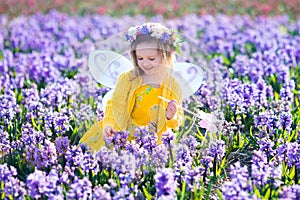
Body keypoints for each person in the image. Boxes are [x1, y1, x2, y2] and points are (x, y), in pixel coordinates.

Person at [80, 22, 183, 152]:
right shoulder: (128, 79)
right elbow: (114, 104)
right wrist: (109, 124)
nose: (145, 63)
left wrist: (171, 115)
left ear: (165, 57)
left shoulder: (173, 84)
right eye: (140, 58)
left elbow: (176, 121)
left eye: (151, 59)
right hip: (123, 134)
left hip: (152, 140)